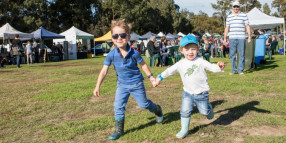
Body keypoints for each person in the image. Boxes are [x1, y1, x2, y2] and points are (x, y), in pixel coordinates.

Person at [93, 19, 163, 140]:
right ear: (112, 38)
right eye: (115, 35)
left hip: (136, 83)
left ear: (128, 37)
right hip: (122, 85)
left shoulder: (134, 53)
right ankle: (119, 130)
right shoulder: (111, 55)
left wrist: (151, 77)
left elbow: (143, 65)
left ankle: (157, 109)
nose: (119, 38)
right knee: (118, 106)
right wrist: (97, 86)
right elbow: (104, 71)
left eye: (122, 35)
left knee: (143, 104)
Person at [154, 35, 224, 139]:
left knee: (204, 111)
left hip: (201, 93)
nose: (190, 52)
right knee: (185, 111)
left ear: (198, 49)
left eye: (193, 49)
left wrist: (219, 67)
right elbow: (169, 71)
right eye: (187, 49)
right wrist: (159, 77)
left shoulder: (200, 61)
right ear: (181, 50)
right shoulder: (180, 63)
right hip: (187, 93)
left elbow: (211, 67)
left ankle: (209, 108)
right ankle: (184, 129)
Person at [223, 1, 251, 75]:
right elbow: (227, 28)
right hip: (232, 38)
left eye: (237, 7)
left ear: (239, 7)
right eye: (234, 7)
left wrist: (249, 37)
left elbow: (247, 26)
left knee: (241, 54)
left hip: (241, 37)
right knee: (232, 54)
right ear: (232, 7)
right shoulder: (229, 17)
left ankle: (241, 70)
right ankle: (234, 70)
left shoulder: (244, 15)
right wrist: (225, 38)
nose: (236, 8)